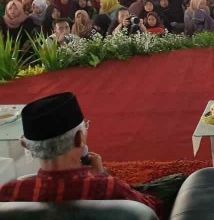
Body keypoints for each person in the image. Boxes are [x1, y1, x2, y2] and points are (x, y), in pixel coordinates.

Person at [0, 92, 184, 220]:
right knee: (179, 181)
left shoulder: (9, 193)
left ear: (28, 146)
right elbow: (151, 210)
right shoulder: (108, 187)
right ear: (79, 139)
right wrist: (102, 176)